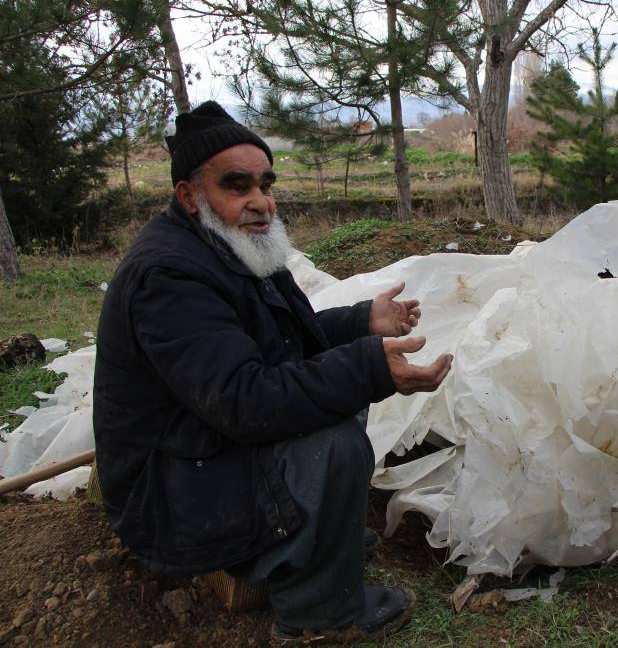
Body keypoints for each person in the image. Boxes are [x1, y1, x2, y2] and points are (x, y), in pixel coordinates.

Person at [93, 101, 452, 643]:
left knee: (339, 389)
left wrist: (360, 323)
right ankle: (319, 615)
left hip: (201, 450)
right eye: (237, 186)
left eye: (265, 184)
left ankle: (321, 537)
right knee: (333, 442)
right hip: (171, 493)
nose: (260, 202)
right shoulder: (168, 277)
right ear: (190, 196)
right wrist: (367, 368)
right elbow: (246, 400)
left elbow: (283, 346)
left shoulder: (236, 247)